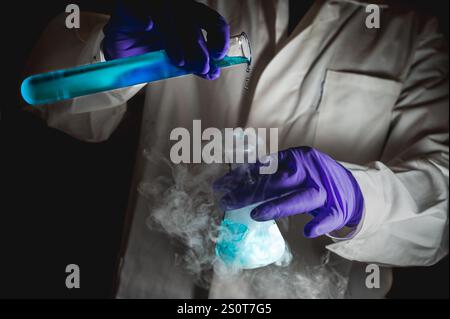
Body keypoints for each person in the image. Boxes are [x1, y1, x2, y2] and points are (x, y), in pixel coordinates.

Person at [25, 0, 448, 298]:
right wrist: (111, 59)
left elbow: (438, 221)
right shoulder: (180, 7)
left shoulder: (413, 32)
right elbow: (58, 105)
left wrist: (360, 198)